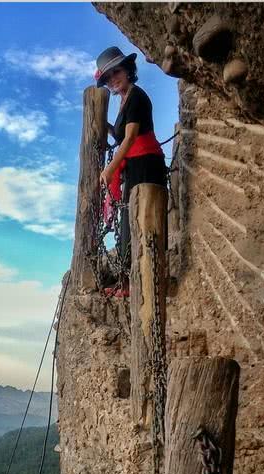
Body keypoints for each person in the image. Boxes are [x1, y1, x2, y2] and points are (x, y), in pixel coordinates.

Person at [94, 46, 167, 294]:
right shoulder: (125, 100)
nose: (114, 79)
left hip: (146, 163)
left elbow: (130, 137)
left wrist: (109, 170)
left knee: (141, 219)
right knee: (128, 220)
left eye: (117, 72)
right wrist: (99, 122)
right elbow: (119, 133)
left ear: (128, 70)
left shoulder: (136, 96)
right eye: (108, 77)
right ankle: (127, 280)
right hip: (135, 165)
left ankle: (141, 281)